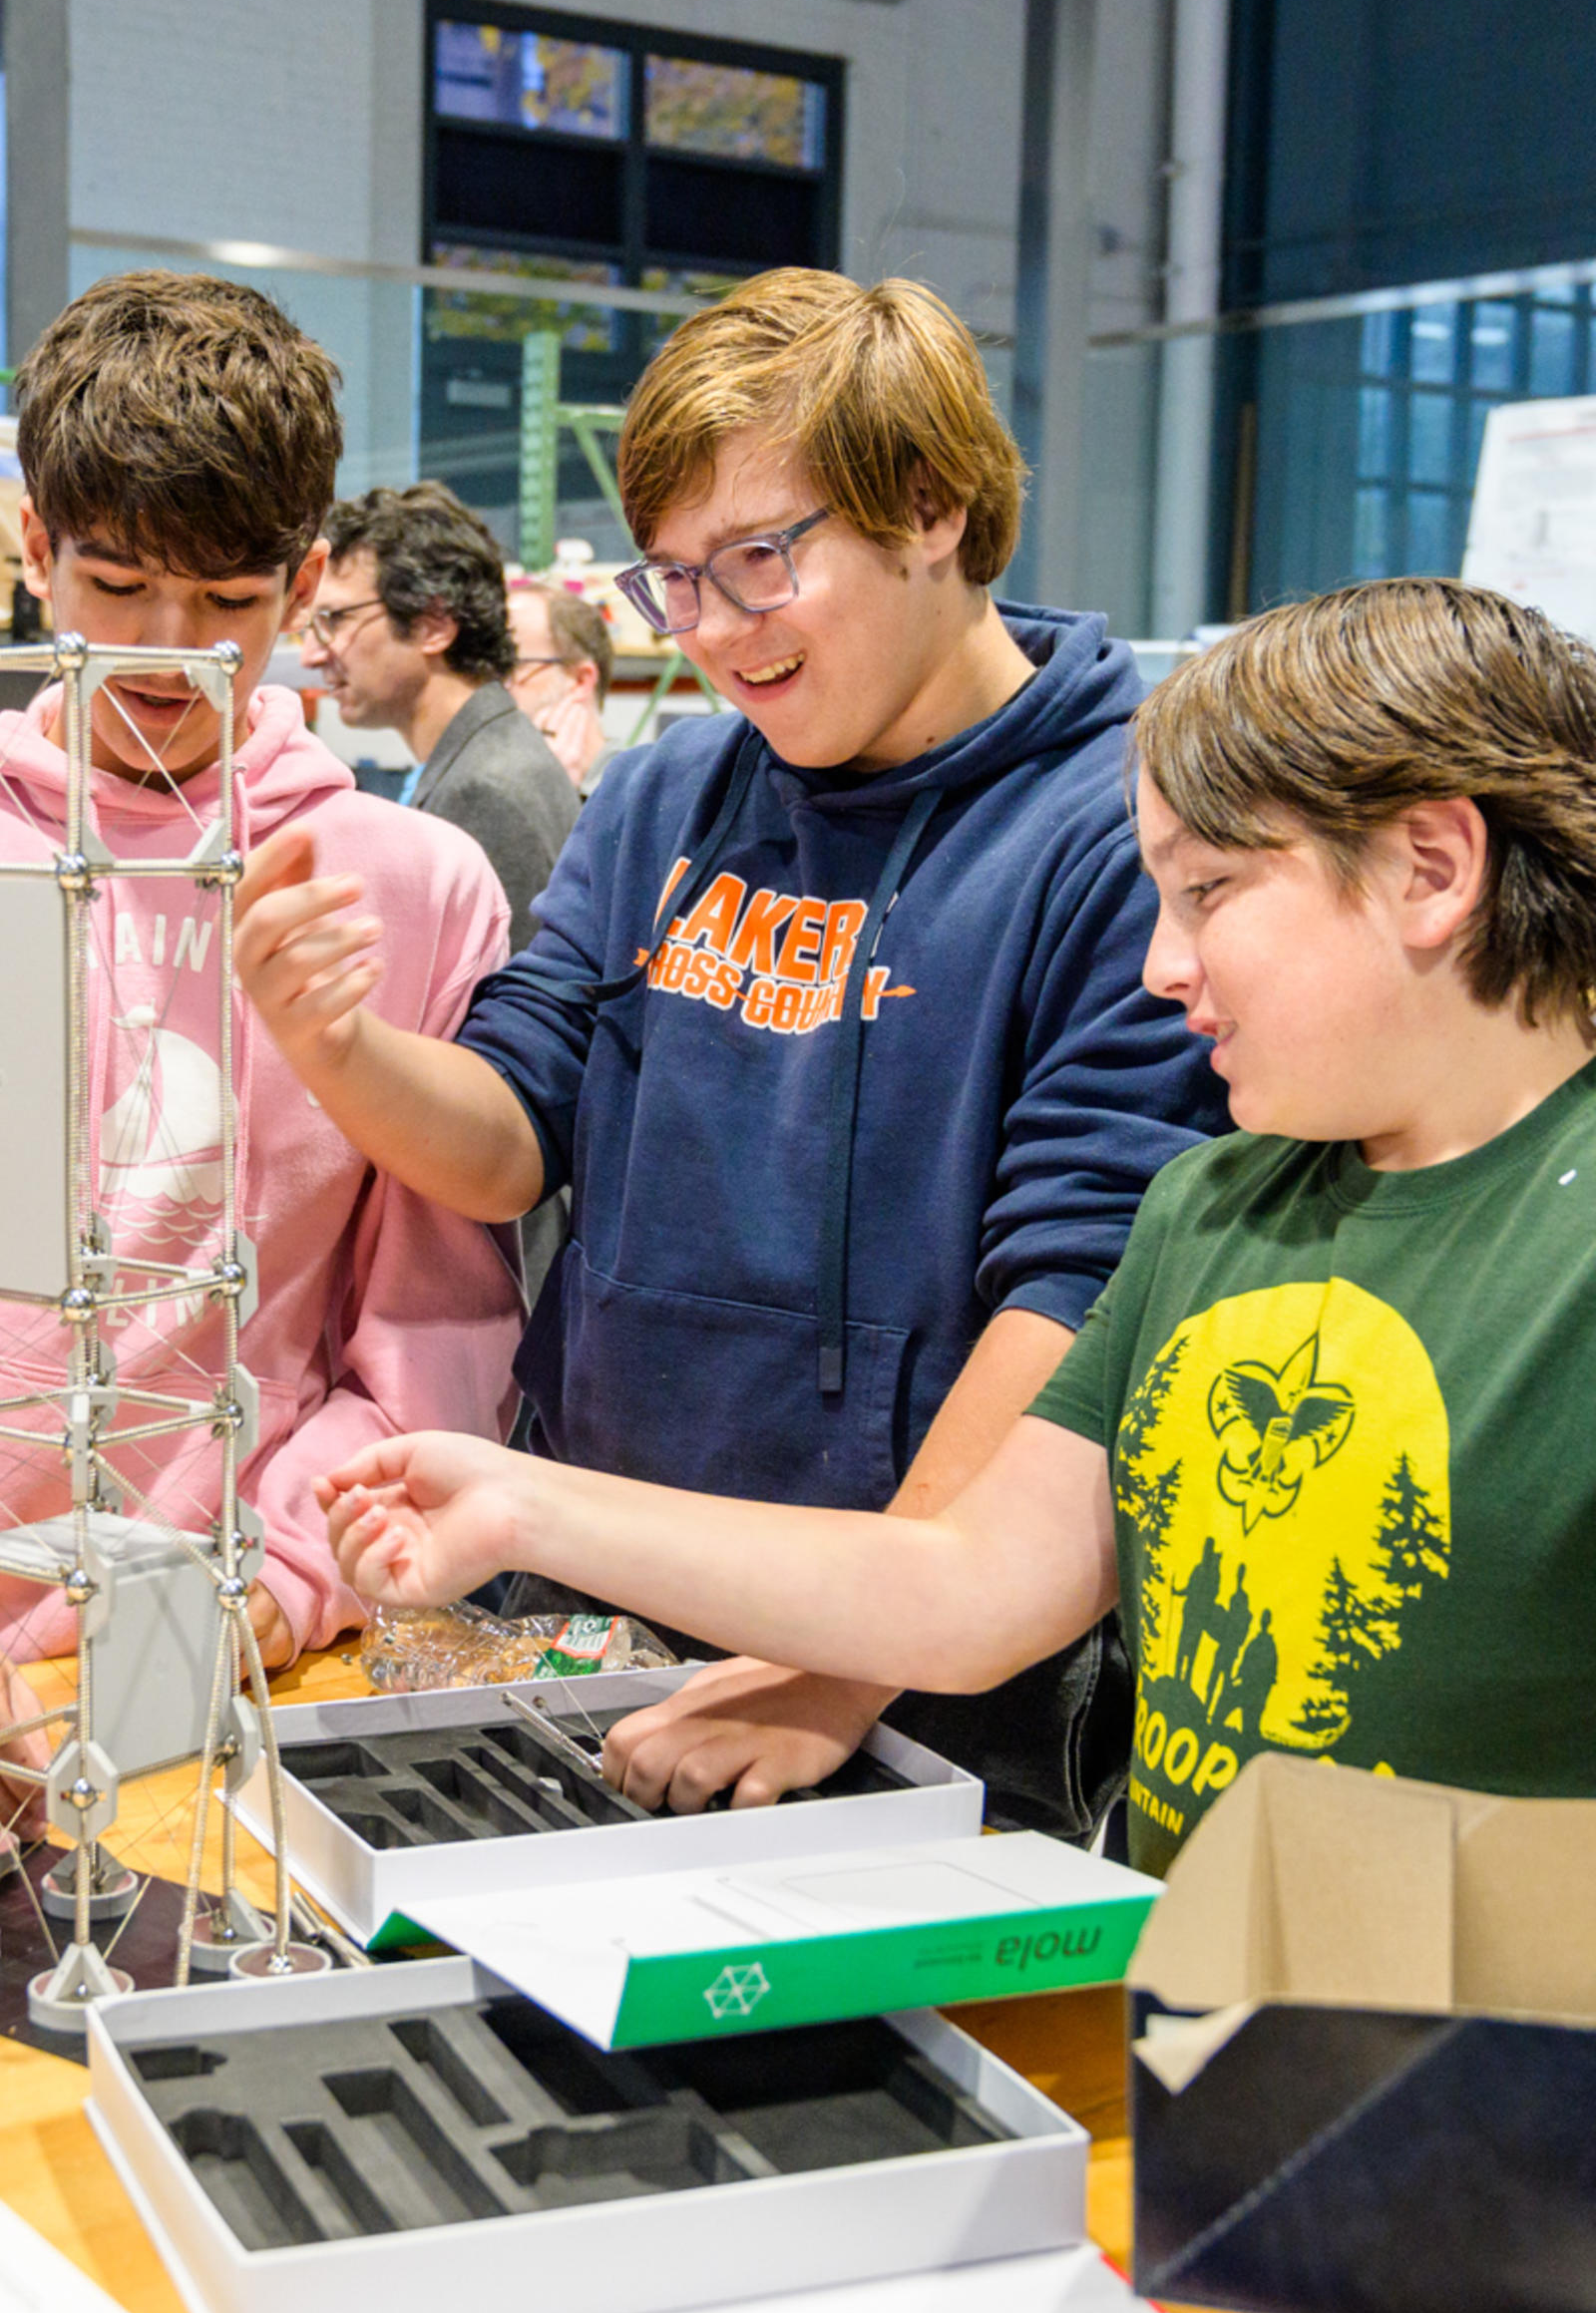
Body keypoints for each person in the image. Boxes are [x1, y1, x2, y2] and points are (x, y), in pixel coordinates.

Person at [319, 578, 1596, 1871]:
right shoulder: (1213, 1214)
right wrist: (528, 1508)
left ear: (1430, 870)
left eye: (1211, 890)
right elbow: (965, 1586)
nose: (1164, 965)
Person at [237, 270, 1227, 1837]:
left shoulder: (1115, 833)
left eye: (759, 563)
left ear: (935, 511)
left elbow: (1080, 1306)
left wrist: (847, 1662)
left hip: (915, 1695)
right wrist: (338, 1048)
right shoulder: (668, 796)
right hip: (589, 1608)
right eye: (672, 583)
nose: (712, 632)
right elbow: (510, 1132)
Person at [0, 273, 523, 1788]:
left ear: (307, 576)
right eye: (117, 583)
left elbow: (425, 1333)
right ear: (35, 548)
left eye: (225, 603)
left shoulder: (407, 889)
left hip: (274, 1667)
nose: (161, 648)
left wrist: (269, 1596)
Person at [303, 482, 580, 954]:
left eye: (335, 619)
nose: (312, 654)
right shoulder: (488, 757)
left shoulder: (484, 793)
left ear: (434, 625)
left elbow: (490, 1015)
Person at [507, 578, 615, 794]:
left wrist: (554, 798)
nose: (492, 685)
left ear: (580, 681)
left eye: (510, 665)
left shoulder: (634, 794)